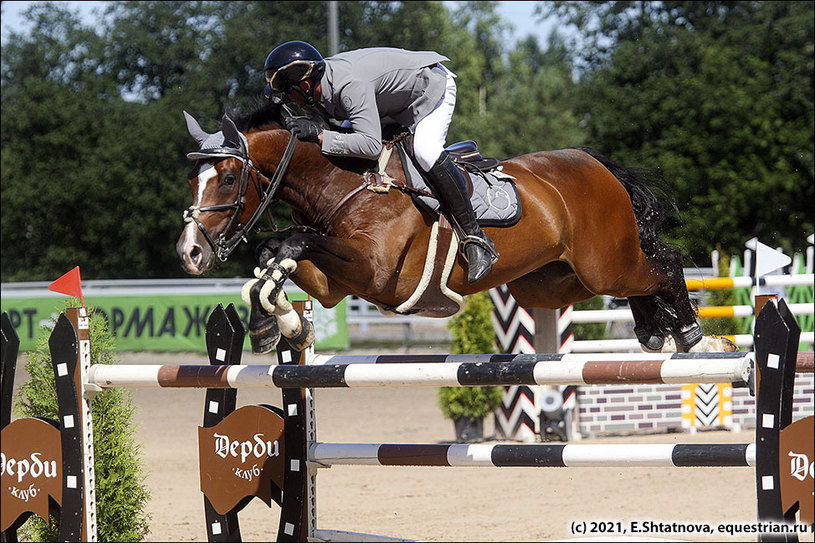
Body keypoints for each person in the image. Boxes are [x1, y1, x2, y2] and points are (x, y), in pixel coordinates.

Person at [262, 41, 498, 284]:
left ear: (305, 85)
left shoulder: (350, 86)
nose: (289, 100)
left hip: (428, 90)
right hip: (389, 103)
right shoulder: (319, 87)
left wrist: (320, 135)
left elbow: (372, 147)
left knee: (425, 151)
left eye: (288, 94)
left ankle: (475, 238)